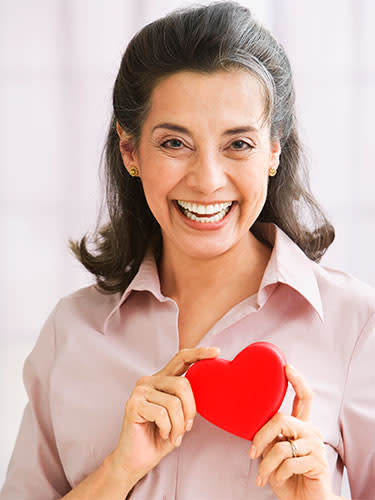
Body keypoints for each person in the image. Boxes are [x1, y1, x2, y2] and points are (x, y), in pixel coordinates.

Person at [1, 1, 374, 499]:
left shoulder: (355, 328)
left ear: (274, 150)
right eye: (175, 143)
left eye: (238, 144)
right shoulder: (70, 333)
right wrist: (116, 472)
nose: (207, 181)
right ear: (129, 151)